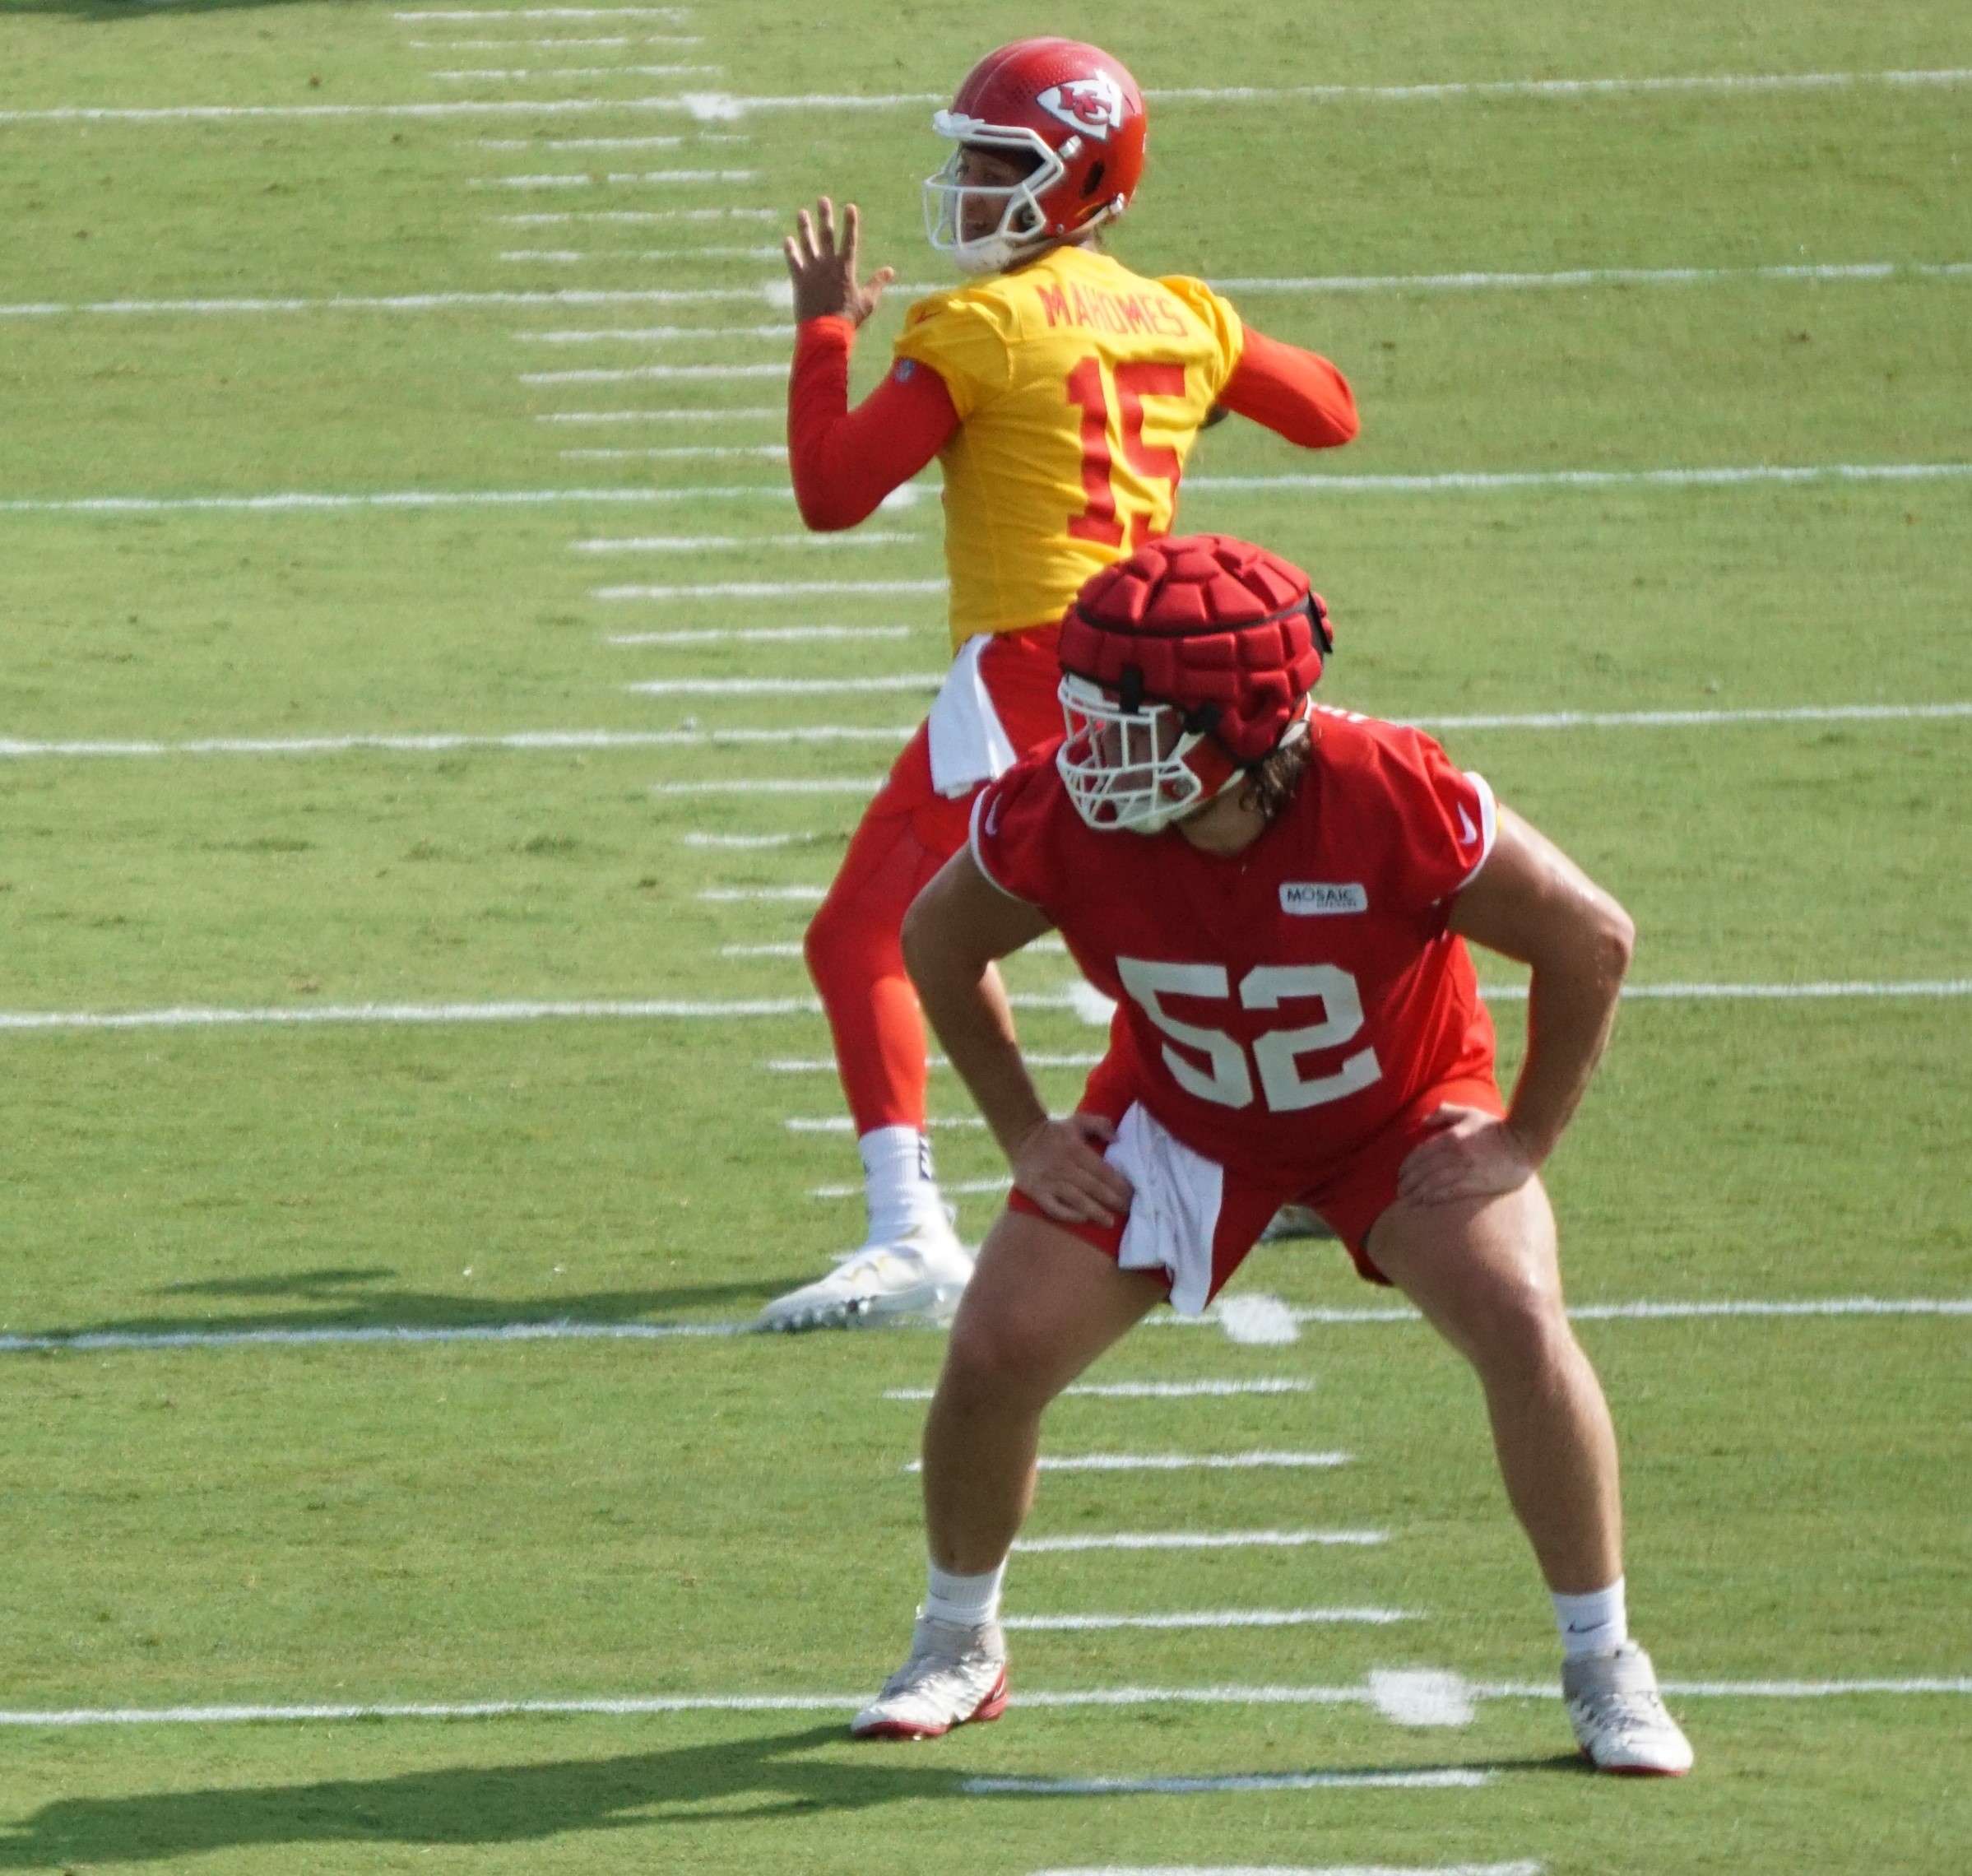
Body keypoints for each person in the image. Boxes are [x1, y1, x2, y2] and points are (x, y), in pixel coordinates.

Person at [851, 534, 1695, 1776]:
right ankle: (956, 1641)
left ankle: (1602, 1661)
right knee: (991, 1350)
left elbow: (1592, 942)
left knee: (1519, 1316)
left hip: (1394, 1115)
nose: (1091, 755)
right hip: (1182, 1116)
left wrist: (1518, 1140)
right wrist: (1027, 1135)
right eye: (1088, 716)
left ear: (1244, 727)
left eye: (1127, 726)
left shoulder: (1385, 786)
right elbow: (935, 941)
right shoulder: (1062, 806)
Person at [759, 37, 1361, 1331]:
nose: (969, 187)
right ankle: (1303, 1142)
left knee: (863, 934)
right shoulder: (1183, 315)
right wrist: (1189, 377)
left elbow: (831, 491)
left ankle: (909, 1227)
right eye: (968, 159)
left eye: (1000, 165)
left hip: (1045, 671)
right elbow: (1329, 410)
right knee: (1181, 922)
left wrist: (822, 333)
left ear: (1082, 179)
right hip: (1181, 679)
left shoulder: (975, 325)